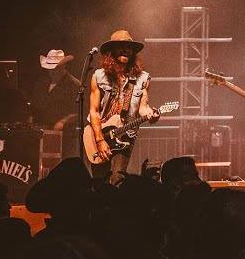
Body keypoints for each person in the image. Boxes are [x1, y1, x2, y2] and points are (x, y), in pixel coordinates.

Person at [86, 30, 160, 185]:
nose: (126, 50)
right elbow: (94, 111)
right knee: (99, 182)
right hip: (99, 134)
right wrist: (99, 140)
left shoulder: (143, 78)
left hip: (126, 135)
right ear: (111, 51)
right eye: (121, 46)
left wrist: (152, 114)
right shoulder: (99, 76)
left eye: (129, 47)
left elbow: (143, 108)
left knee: (117, 178)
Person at [31, 49, 82, 158]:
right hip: (41, 134)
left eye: (56, 68)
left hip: (66, 137)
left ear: (64, 66)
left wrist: (63, 122)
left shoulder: (75, 85)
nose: (52, 71)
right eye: (50, 69)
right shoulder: (42, 84)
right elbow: (34, 106)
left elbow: (80, 111)